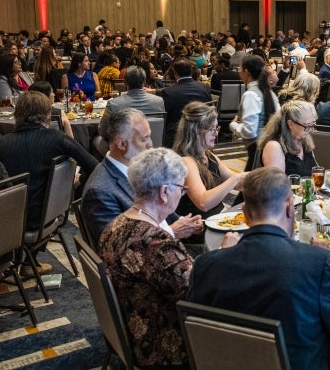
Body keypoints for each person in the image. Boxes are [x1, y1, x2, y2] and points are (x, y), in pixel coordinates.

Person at [187, 167, 330, 370]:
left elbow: (198, 331)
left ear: (245, 214)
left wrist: (219, 254)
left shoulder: (205, 265)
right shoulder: (316, 262)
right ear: (290, 208)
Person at [100, 148, 234, 369]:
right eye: (181, 190)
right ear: (164, 192)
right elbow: (200, 296)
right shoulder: (155, 243)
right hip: (164, 343)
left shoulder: (115, 226)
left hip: (135, 323)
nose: (181, 196)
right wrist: (225, 253)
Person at [0, 91, 98, 275]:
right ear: (46, 114)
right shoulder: (57, 138)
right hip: (45, 216)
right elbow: (93, 165)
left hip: (7, 222)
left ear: (17, 114)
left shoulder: (2, 143)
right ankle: (29, 262)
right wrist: (74, 180)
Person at [82, 109, 203, 243]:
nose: (150, 144)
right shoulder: (100, 191)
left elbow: (160, 209)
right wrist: (172, 231)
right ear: (122, 144)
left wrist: (184, 222)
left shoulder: (139, 169)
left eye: (149, 136)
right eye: (143, 139)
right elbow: (116, 245)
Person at [174, 102, 246, 219]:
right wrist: (237, 177)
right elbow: (203, 203)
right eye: (211, 129)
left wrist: (261, 178)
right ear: (195, 130)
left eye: (216, 128)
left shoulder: (208, 155)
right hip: (197, 227)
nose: (216, 133)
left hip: (214, 219)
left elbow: (237, 184)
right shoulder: (186, 161)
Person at [229, 54, 279, 171]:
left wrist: (233, 125)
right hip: (271, 144)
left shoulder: (251, 94)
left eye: (239, 69)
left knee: (251, 185)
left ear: (247, 72)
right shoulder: (270, 92)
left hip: (256, 148)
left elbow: (250, 132)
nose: (238, 71)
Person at [99, 65, 165, 139]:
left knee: (97, 139)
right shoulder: (159, 101)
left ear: (125, 83)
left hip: (123, 148)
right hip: (153, 146)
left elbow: (103, 131)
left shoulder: (114, 104)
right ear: (144, 82)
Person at [159, 58, 212, 147]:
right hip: (201, 130)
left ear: (175, 73)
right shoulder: (205, 88)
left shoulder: (169, 92)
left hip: (177, 135)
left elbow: (165, 117)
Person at [257, 100, 318, 176]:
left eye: (312, 124)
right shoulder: (274, 147)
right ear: (290, 124)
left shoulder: (304, 141)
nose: (311, 130)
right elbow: (277, 184)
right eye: (307, 126)